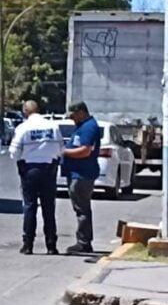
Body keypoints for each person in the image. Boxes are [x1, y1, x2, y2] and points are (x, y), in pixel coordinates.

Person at [9, 100, 64, 255]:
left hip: (29, 170)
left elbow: (14, 152)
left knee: (30, 207)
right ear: (38, 109)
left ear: (25, 112)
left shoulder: (23, 128)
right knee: (49, 208)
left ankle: (28, 245)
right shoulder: (53, 126)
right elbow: (61, 149)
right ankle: (51, 245)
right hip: (49, 170)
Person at [61, 101, 101, 254]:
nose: (72, 119)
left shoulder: (89, 127)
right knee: (81, 209)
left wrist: (64, 152)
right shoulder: (83, 126)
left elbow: (85, 151)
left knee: (82, 209)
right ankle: (83, 241)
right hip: (77, 173)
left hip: (82, 174)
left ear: (81, 112)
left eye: (73, 116)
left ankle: (83, 242)